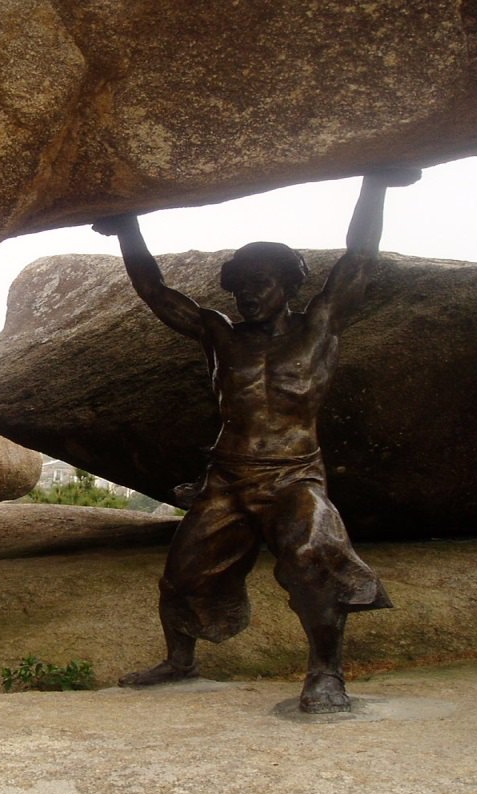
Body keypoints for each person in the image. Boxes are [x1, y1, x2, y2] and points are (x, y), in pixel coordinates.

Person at [92, 169, 420, 712]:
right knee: (181, 573)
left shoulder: (319, 325)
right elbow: (154, 291)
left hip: (295, 474)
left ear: (289, 285)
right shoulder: (219, 334)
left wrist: (376, 183)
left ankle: (327, 675)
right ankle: (180, 661)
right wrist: (128, 228)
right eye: (240, 285)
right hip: (228, 476)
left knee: (313, 557)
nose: (247, 294)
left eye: (260, 283)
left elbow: (359, 259)